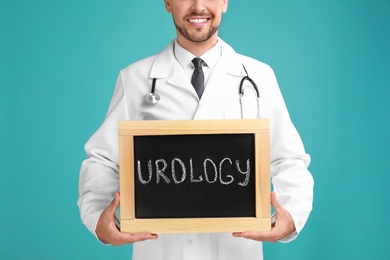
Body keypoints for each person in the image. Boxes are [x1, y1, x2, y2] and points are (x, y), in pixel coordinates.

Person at [78, 0, 314, 259]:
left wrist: (291, 217)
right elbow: (102, 159)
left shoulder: (259, 77)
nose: (199, 6)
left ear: (224, 2)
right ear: (168, 3)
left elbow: (289, 160)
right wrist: (99, 219)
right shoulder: (135, 78)